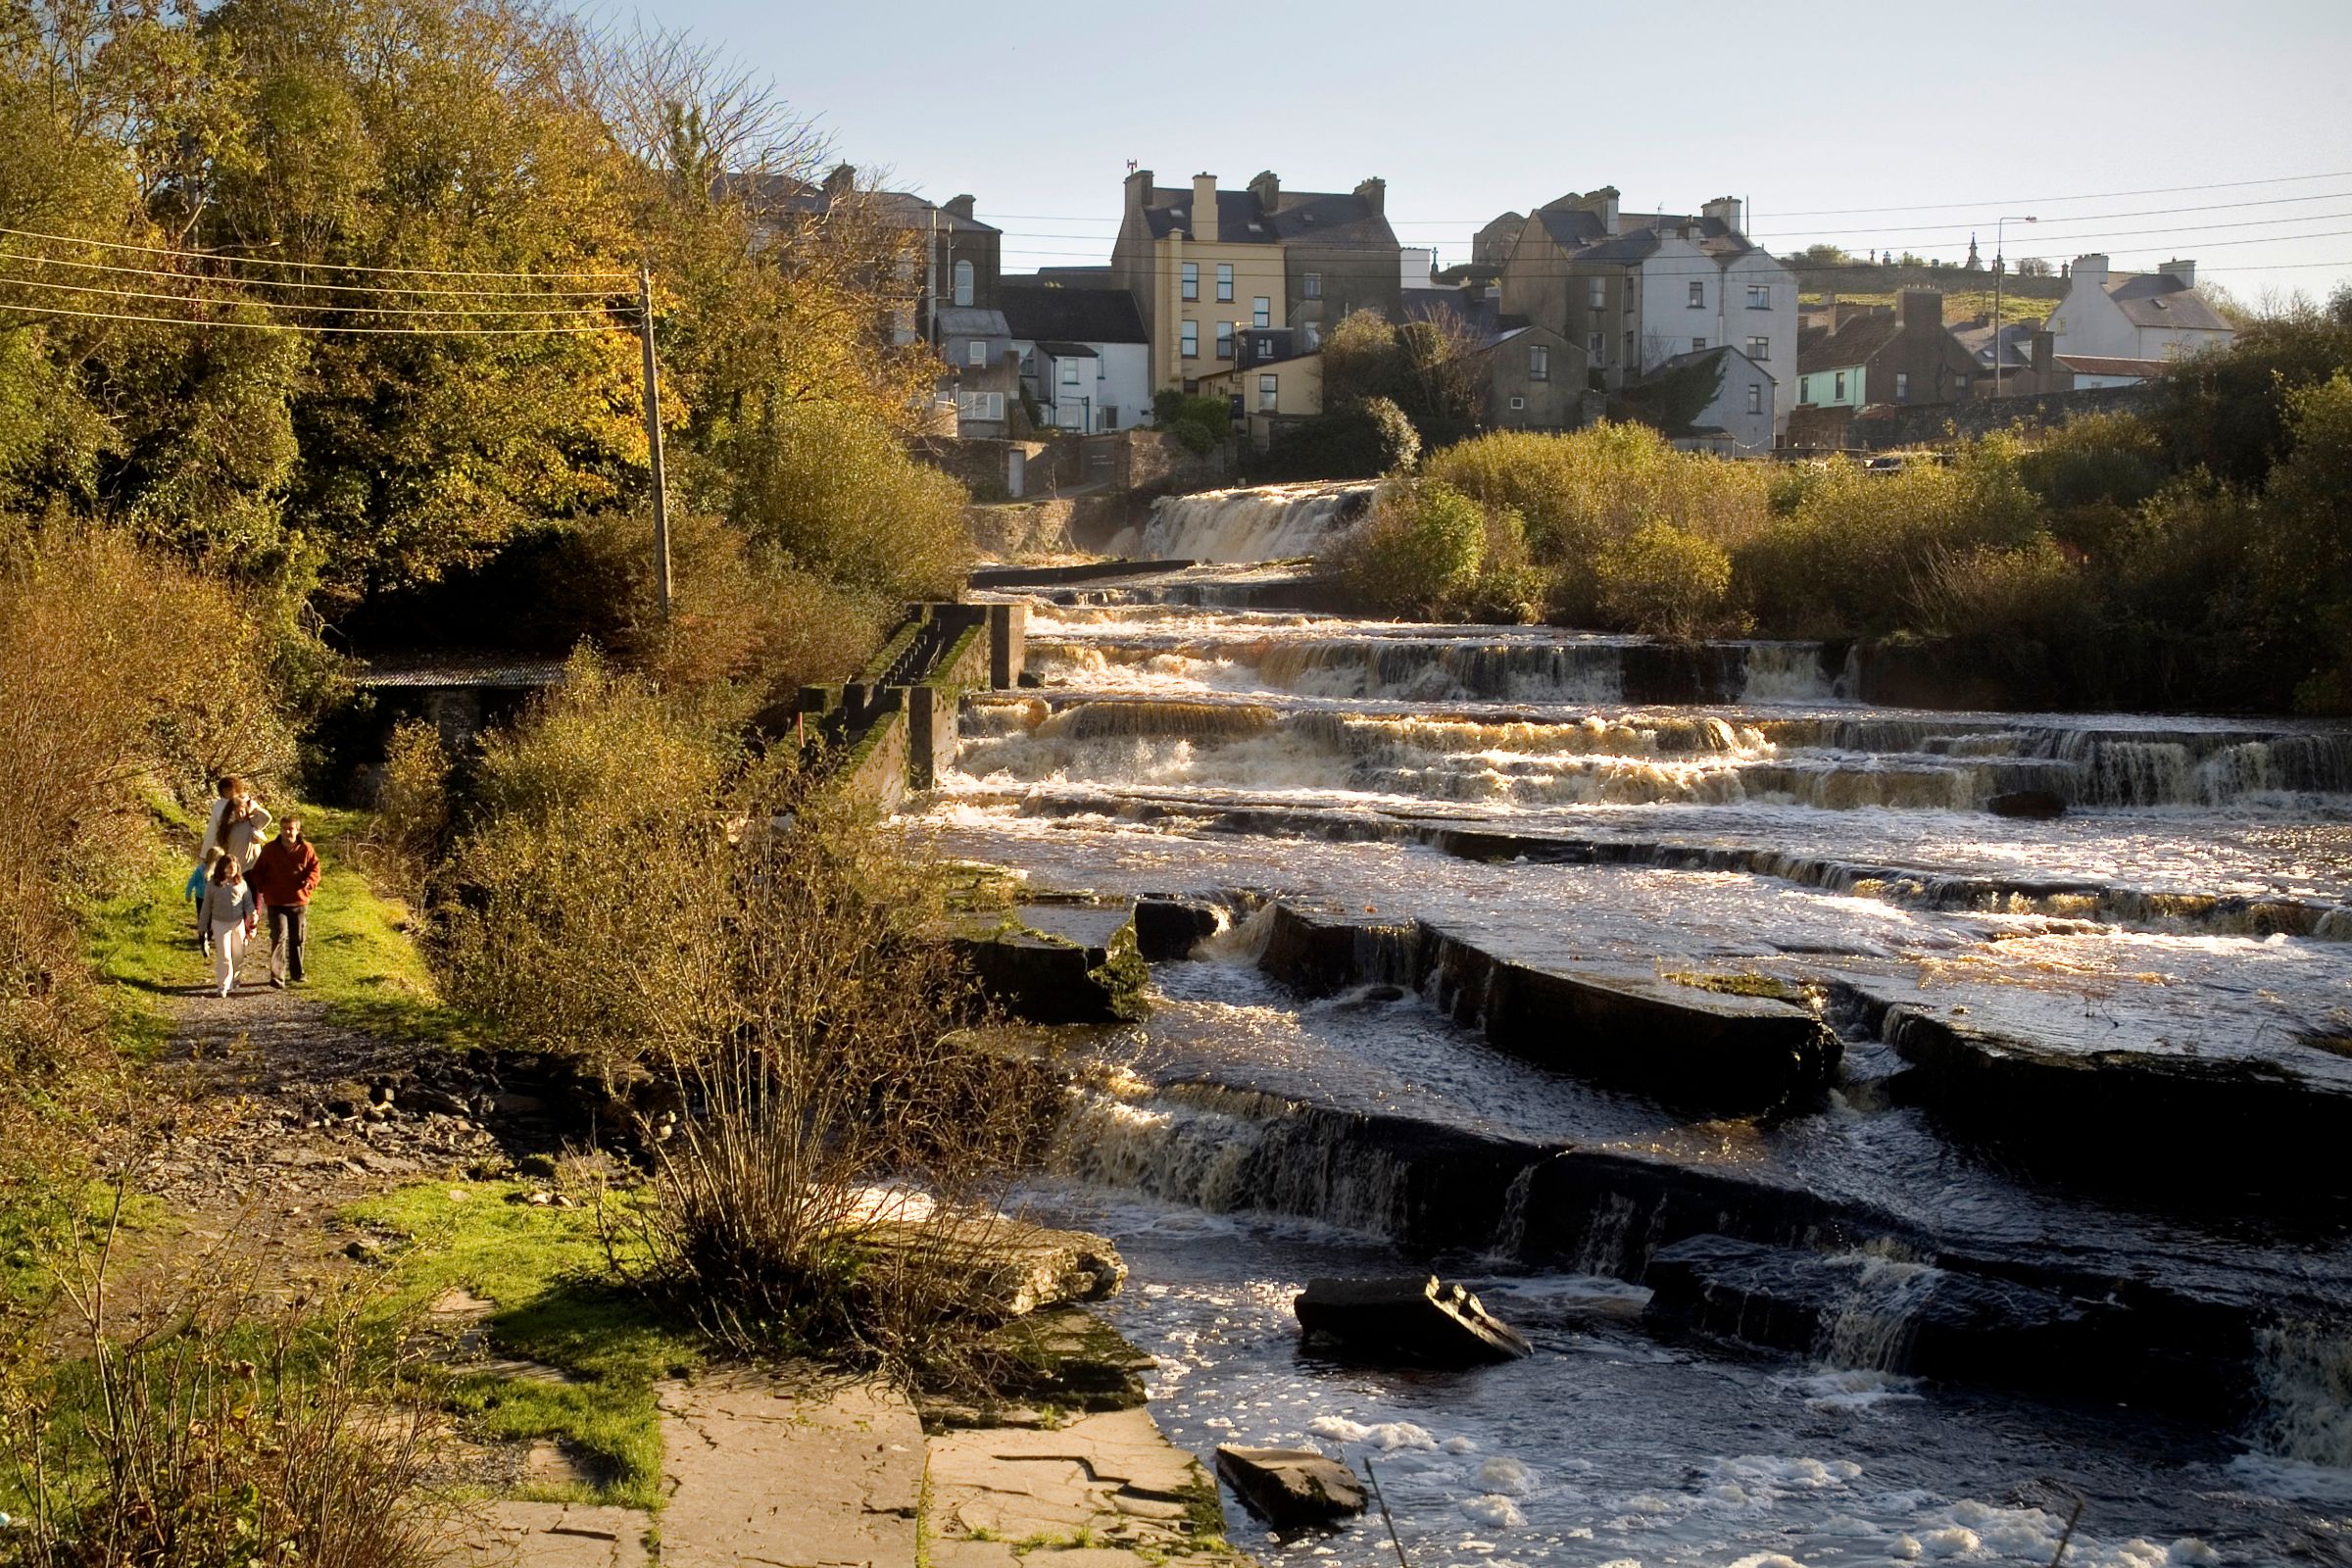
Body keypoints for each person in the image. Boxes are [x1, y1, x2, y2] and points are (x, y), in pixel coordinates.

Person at [250, 816, 320, 989]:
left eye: (291, 828)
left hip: (298, 900)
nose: (287, 832)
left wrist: (309, 883)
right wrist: (262, 888)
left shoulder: (306, 849)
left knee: (297, 939)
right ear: (280, 830)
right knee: (279, 937)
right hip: (276, 901)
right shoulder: (270, 849)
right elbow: (257, 872)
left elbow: (315, 870)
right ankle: (277, 976)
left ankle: (297, 973)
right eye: (284, 828)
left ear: (297, 830)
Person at [202, 855, 257, 998]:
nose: (232, 870)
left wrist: (252, 914)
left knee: (238, 953)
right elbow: (206, 906)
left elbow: (248, 903)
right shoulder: (213, 884)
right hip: (220, 923)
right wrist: (202, 926)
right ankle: (223, 985)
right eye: (228, 867)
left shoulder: (241, 884)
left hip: (237, 922)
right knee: (224, 954)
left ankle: (235, 978)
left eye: (234, 867)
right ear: (222, 868)